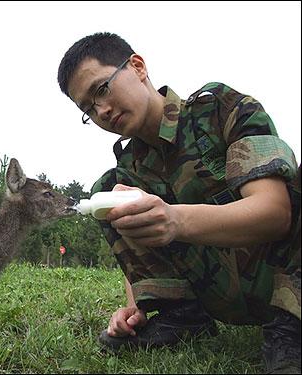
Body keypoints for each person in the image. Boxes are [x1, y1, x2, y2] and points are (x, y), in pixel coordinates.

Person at [57, 32, 301, 374]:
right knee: (108, 191)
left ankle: (292, 328)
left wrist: (175, 220)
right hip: (216, 294)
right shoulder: (126, 175)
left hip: (281, 271)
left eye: (102, 89)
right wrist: (135, 307)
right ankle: (182, 317)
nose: (102, 110)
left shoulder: (221, 110)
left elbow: (276, 213)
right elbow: (136, 233)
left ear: (138, 67)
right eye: (88, 109)